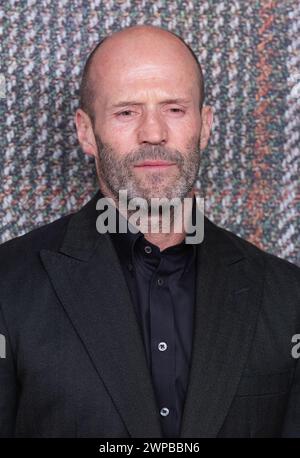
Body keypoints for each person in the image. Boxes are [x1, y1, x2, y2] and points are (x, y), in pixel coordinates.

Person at [0, 24, 299, 438]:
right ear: (86, 131)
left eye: (174, 109)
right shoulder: (8, 287)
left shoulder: (288, 297)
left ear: (205, 125)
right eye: (127, 111)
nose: (153, 133)